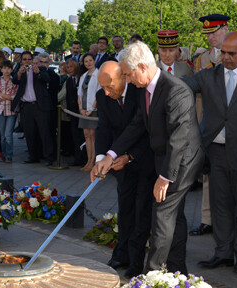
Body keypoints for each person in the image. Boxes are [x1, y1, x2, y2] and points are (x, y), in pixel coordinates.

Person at [93, 41, 203, 275]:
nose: (128, 80)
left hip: (181, 162)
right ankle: (177, 270)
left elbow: (178, 139)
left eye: (128, 74)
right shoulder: (145, 89)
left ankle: (152, 274)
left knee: (162, 214)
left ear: (142, 67)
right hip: (164, 158)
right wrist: (110, 154)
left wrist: (164, 177)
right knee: (175, 217)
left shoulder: (176, 90)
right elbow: (136, 126)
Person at [183, 32, 237, 274]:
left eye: (232, 53)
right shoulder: (208, 75)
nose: (226, 57)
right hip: (216, 152)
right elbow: (182, 86)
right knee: (219, 205)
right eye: (223, 52)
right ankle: (223, 253)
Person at [92, 61, 155, 278]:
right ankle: (122, 254)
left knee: (141, 211)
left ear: (123, 78)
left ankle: (137, 261)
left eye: (110, 87)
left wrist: (130, 156)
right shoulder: (103, 97)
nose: (107, 93)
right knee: (125, 208)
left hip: (144, 160)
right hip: (119, 163)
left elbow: (144, 129)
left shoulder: (140, 92)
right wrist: (101, 158)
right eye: (103, 88)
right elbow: (103, 128)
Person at [189, 13, 230, 237]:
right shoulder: (202, 59)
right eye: (208, 34)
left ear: (225, 28)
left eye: (214, 32)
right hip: (209, 123)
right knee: (207, 173)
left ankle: (226, 221)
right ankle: (207, 219)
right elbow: (199, 97)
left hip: (232, 125)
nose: (211, 38)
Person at [11, 51, 53, 165]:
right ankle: (33, 155)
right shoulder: (21, 71)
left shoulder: (41, 69)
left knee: (44, 132)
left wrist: (38, 72)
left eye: (29, 59)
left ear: (33, 60)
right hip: (26, 106)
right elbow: (14, 80)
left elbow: (46, 79)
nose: (27, 61)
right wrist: (19, 73)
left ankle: (49, 157)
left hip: (39, 106)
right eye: (24, 59)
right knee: (29, 133)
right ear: (21, 61)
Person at [77, 53, 100, 171]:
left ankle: (94, 161)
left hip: (93, 110)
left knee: (93, 135)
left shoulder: (99, 74)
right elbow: (79, 94)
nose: (88, 63)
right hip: (84, 110)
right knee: (87, 136)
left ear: (94, 61)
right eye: (86, 61)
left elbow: (99, 93)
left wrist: (91, 109)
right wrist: (81, 108)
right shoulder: (83, 76)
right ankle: (88, 160)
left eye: (90, 60)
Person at [0, 60, 18, 163]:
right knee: (2, 135)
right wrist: (5, 97)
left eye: (9, 68)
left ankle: (9, 155)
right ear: (1, 69)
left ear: (12, 70)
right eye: (4, 68)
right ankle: (3, 153)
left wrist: (3, 96)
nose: (6, 70)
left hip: (11, 111)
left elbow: (15, 96)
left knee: (8, 134)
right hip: (0, 110)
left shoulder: (14, 82)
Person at [65, 58, 86, 166]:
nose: (69, 69)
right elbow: (68, 97)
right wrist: (68, 112)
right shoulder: (69, 81)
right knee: (75, 137)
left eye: (71, 66)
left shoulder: (82, 78)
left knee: (84, 137)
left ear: (77, 66)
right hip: (73, 113)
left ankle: (85, 158)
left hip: (83, 112)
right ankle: (77, 158)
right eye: (67, 67)